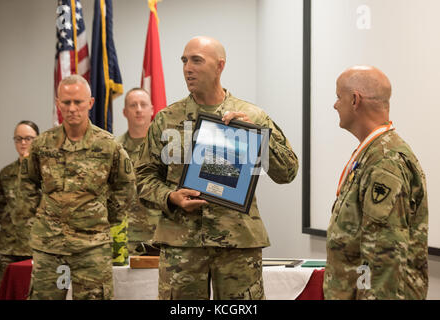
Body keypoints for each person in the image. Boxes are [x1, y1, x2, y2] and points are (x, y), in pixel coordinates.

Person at [135, 36, 299, 300]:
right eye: (184, 60)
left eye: (197, 60)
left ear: (220, 65)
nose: (188, 68)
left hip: (237, 243)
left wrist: (255, 135)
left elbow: (288, 172)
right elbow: (142, 177)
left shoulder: (253, 116)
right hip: (181, 244)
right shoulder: (166, 119)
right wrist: (170, 196)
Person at [20, 74, 136, 299]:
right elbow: (27, 184)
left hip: (91, 248)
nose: (72, 108)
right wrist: (38, 218)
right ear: (58, 104)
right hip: (49, 247)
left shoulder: (108, 145)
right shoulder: (42, 145)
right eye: (66, 102)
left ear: (90, 103)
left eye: (78, 102)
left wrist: (103, 218)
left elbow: (126, 186)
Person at [324, 65, 428, 299]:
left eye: (338, 97)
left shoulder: (384, 161)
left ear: (354, 100)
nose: (335, 105)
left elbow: (383, 257)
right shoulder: (374, 152)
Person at [0, 121, 41, 286]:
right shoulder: (6, 173)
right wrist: (12, 222)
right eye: (18, 139)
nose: (23, 143)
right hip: (10, 248)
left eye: (28, 138)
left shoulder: (45, 173)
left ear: (38, 140)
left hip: (38, 248)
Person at [114, 87, 160, 259]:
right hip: (125, 237)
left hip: (158, 237)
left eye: (143, 104)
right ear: (125, 112)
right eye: (133, 105)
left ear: (152, 109)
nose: (139, 109)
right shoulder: (114, 148)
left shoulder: (165, 148)